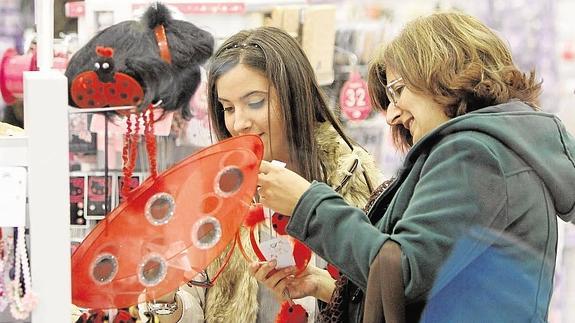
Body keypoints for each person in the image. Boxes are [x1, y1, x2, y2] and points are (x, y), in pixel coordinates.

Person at [254, 11, 575, 322]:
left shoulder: (476, 154)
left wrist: (306, 204)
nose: (393, 115)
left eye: (398, 90)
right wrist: (332, 290)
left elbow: (403, 273)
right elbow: (437, 288)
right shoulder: (496, 149)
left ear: (443, 72)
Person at [152, 26, 382, 322]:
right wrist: (166, 297)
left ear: (292, 95)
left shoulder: (351, 176)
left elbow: (381, 298)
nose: (239, 122)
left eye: (255, 102)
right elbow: (195, 301)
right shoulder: (216, 190)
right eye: (228, 108)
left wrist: (327, 290)